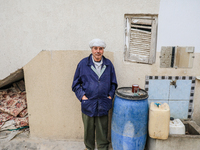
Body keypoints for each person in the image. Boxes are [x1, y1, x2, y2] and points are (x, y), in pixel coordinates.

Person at [72, 38, 118, 150]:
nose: (98, 51)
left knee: (103, 131)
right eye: (95, 48)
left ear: (103, 50)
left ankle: (103, 148)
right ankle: (89, 148)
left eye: (100, 49)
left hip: (103, 103)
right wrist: (83, 97)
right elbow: (75, 84)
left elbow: (113, 83)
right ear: (92, 50)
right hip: (88, 103)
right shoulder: (83, 64)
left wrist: (110, 96)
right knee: (88, 130)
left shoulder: (108, 64)